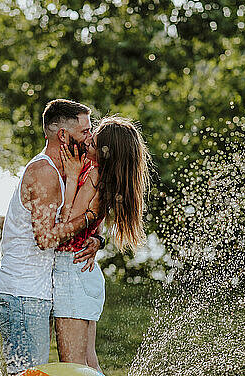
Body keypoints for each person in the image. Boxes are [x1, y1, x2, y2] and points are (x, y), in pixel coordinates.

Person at [0, 99, 103, 376]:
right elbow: (46, 239)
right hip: (22, 294)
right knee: (28, 375)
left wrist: (98, 239)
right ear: (63, 135)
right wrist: (88, 217)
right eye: (85, 131)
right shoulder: (44, 173)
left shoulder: (65, 171)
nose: (91, 137)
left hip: (36, 293)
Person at [52, 116, 152, 373]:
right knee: (88, 363)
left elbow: (66, 224)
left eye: (93, 141)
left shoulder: (94, 175)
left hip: (72, 270)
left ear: (105, 153)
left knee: (74, 368)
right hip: (84, 272)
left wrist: (73, 176)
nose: (87, 141)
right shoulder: (104, 176)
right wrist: (98, 239)